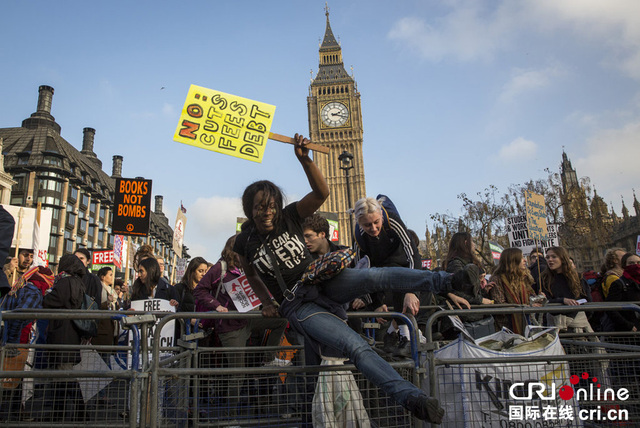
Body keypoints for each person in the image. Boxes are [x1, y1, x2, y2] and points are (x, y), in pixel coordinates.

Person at [233, 133, 469, 423]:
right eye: (260, 206)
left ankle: (447, 281)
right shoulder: (243, 242)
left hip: (320, 281)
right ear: (249, 208)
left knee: (376, 277)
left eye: (271, 204)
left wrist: (305, 160)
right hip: (298, 305)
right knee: (355, 346)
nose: (267, 211)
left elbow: (321, 193)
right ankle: (412, 397)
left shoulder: (289, 217)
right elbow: (250, 273)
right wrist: (267, 302)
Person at [194, 235, 287, 417]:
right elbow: (199, 290)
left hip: (247, 320)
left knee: (280, 321)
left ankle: (268, 358)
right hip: (230, 328)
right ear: (234, 250)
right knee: (238, 374)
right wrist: (216, 305)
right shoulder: (219, 268)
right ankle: (230, 415)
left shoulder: (247, 268)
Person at [352, 195, 422, 357]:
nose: (374, 228)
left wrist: (412, 291)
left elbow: (413, 256)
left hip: (400, 260)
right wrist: (375, 303)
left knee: (400, 283)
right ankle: (392, 334)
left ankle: (405, 337)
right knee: (383, 277)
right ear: (359, 223)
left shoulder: (393, 222)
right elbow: (360, 273)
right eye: (367, 225)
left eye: (376, 222)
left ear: (381, 216)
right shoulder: (358, 237)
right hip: (378, 265)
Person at [42, 254, 87, 422]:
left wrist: (47, 295)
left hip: (61, 334)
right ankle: (69, 413)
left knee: (64, 377)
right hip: (71, 335)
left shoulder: (64, 282)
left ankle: (65, 414)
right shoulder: (78, 282)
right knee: (65, 377)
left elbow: (52, 301)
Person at [541, 246, 592, 330]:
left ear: (563, 258)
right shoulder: (544, 278)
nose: (550, 259)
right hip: (554, 325)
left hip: (577, 324)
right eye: (547, 257)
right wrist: (563, 300)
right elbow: (546, 301)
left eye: (554, 257)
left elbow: (587, 299)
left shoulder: (577, 277)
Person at [489, 248, 537, 334]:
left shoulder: (523, 277)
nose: (525, 260)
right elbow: (499, 303)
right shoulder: (497, 279)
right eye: (521, 257)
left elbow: (530, 295)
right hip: (506, 325)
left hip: (525, 321)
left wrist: (537, 299)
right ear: (512, 260)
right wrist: (524, 307)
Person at [174, 256, 208, 331]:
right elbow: (175, 310)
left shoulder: (207, 291)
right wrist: (189, 319)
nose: (204, 274)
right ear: (192, 271)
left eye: (205, 271)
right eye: (200, 271)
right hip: (183, 333)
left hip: (202, 334)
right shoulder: (179, 288)